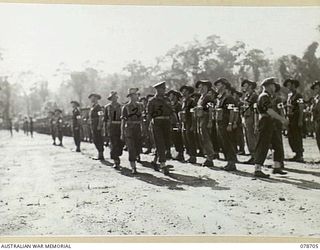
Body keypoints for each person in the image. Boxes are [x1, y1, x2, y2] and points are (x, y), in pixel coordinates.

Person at [254, 78, 289, 178]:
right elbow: (269, 111)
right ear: (269, 85)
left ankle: (277, 166)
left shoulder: (269, 96)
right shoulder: (264, 96)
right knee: (263, 145)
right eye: (273, 85)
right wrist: (282, 119)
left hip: (271, 122)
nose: (274, 87)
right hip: (266, 122)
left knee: (277, 143)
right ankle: (257, 168)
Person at [147, 81, 173, 175]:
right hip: (157, 123)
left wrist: (175, 122)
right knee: (160, 143)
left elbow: (171, 111)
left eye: (164, 89)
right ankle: (163, 165)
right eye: (162, 89)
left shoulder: (167, 99)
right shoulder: (152, 101)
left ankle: (154, 161)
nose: (163, 91)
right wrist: (150, 126)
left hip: (166, 122)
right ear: (157, 90)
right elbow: (149, 114)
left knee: (166, 144)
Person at [214, 78, 238, 171]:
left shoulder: (228, 98)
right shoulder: (220, 98)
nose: (216, 87)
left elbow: (232, 111)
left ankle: (232, 163)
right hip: (220, 123)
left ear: (224, 86)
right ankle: (229, 162)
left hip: (225, 123)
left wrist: (230, 123)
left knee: (228, 142)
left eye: (218, 85)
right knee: (223, 143)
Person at [121, 88, 144, 174]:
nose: (136, 96)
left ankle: (137, 156)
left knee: (138, 146)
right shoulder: (126, 107)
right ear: (130, 96)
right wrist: (122, 132)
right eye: (134, 95)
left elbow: (142, 118)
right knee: (131, 148)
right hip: (129, 129)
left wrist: (143, 129)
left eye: (136, 94)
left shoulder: (140, 106)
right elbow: (123, 121)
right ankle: (133, 166)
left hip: (138, 128)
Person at [195, 80, 215, 167]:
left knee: (206, 138)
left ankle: (210, 158)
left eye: (203, 87)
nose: (201, 89)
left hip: (206, 118)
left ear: (207, 88)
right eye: (200, 87)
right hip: (200, 118)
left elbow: (210, 109)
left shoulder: (208, 97)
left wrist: (210, 121)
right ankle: (207, 156)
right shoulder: (201, 97)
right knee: (202, 137)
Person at [283, 79, 304, 162]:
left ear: (294, 85)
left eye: (290, 85)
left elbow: (301, 107)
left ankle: (300, 154)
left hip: (296, 118)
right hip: (290, 118)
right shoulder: (289, 95)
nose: (288, 86)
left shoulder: (299, 96)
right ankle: (296, 153)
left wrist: (300, 120)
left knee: (297, 136)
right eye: (287, 85)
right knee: (291, 136)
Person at [241, 79, 258, 164]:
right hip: (246, 116)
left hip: (251, 116)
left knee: (251, 137)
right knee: (248, 137)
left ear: (250, 86)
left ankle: (255, 156)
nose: (244, 87)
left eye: (245, 85)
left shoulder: (254, 95)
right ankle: (252, 155)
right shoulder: (247, 95)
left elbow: (254, 107)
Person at [271, 83, 287, 174]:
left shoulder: (278, 99)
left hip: (276, 124)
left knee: (278, 143)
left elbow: (281, 111)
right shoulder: (268, 98)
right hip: (269, 124)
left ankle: (279, 162)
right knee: (272, 145)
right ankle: (276, 163)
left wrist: (283, 121)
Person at [105, 91, 124, 169]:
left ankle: (118, 155)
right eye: (112, 98)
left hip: (120, 126)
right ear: (110, 99)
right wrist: (105, 129)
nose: (114, 99)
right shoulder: (107, 107)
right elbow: (105, 119)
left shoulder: (121, 107)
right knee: (113, 143)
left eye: (115, 97)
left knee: (120, 143)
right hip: (111, 127)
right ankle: (116, 161)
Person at [179, 85, 197, 163]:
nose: (183, 92)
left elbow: (193, 114)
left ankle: (193, 156)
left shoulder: (192, 101)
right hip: (184, 122)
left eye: (185, 91)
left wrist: (193, 125)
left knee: (191, 139)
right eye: (182, 91)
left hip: (190, 122)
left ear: (189, 92)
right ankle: (189, 155)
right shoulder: (184, 101)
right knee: (186, 139)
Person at [167, 90, 184, 162]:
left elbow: (180, 115)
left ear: (176, 96)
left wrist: (179, 123)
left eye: (172, 95)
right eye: (170, 95)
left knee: (178, 139)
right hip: (171, 123)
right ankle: (170, 153)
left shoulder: (179, 105)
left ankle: (180, 154)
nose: (170, 97)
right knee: (172, 138)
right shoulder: (170, 105)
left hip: (177, 123)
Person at [88, 93, 105, 160]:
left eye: (93, 98)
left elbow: (101, 116)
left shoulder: (98, 107)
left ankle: (101, 155)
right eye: (91, 98)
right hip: (93, 125)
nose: (92, 99)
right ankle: (99, 154)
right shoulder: (93, 107)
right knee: (95, 139)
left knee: (98, 139)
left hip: (97, 124)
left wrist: (99, 125)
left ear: (96, 99)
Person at [311, 80, 320, 155]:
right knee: (318, 138)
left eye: (317, 88)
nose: (315, 90)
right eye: (315, 88)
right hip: (316, 120)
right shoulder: (315, 98)